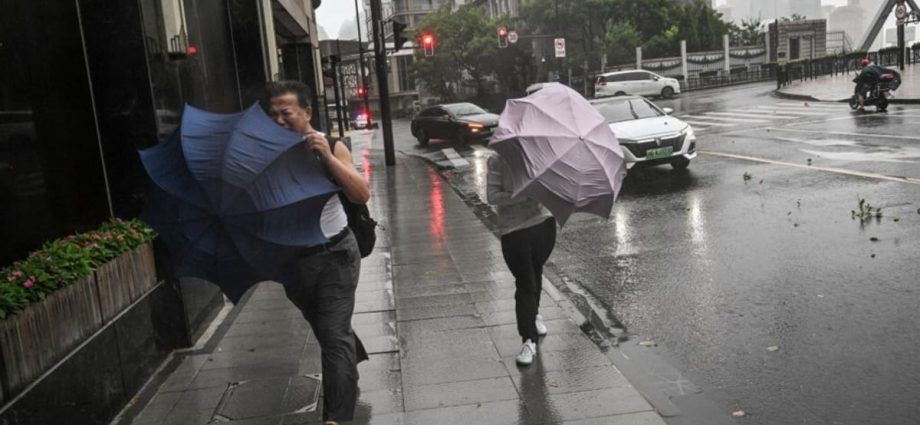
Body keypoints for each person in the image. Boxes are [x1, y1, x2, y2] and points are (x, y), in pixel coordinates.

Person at [263, 80, 370, 425]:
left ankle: (335, 418)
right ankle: (350, 363)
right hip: (293, 264)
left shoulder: (332, 145)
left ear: (306, 112)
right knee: (328, 329)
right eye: (272, 114)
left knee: (333, 336)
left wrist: (324, 154)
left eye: (286, 113)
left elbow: (360, 194)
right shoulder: (268, 156)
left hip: (335, 254)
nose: (278, 120)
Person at [486, 152, 557, 366]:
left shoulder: (543, 157)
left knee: (535, 273)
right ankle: (528, 340)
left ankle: (533, 315)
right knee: (526, 282)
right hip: (513, 230)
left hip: (543, 224)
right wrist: (524, 194)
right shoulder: (498, 160)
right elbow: (492, 196)